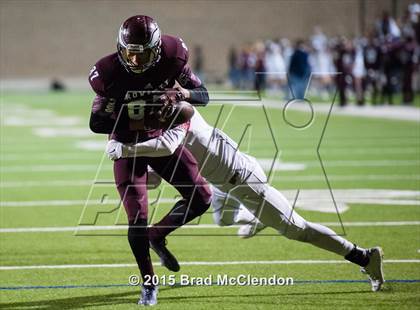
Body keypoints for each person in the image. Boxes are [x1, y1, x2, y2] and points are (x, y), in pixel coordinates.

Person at [106, 107, 385, 292]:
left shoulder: (179, 117)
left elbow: (165, 145)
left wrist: (124, 151)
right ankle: (255, 218)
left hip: (244, 181)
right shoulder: (167, 119)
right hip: (223, 183)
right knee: (222, 218)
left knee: (297, 229)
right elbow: (155, 175)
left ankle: (364, 257)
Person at [88, 15, 212, 306]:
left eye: (143, 52)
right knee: (137, 220)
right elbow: (96, 122)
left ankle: (157, 235)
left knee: (203, 198)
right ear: (121, 48)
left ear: (157, 49)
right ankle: (148, 283)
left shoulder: (173, 56)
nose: (136, 59)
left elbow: (203, 96)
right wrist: (132, 121)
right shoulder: (107, 72)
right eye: (130, 51)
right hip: (127, 145)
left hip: (161, 140)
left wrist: (184, 94)